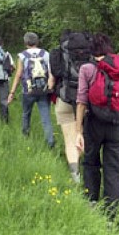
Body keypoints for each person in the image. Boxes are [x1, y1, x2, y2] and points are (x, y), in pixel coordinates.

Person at [74, 33, 119, 219]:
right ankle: (111, 213)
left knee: (91, 162)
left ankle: (92, 202)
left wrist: (78, 130)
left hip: (94, 122)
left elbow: (81, 101)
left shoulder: (87, 68)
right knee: (114, 167)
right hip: (118, 124)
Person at [49, 30, 93, 184]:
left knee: (69, 140)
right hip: (87, 100)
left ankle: (75, 176)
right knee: (84, 136)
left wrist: (51, 90)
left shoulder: (59, 53)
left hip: (65, 99)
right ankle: (88, 169)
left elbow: (52, 79)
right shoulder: (91, 51)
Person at [8, 32, 56, 149]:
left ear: (25, 43)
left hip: (28, 90)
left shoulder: (22, 55)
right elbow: (51, 74)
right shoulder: (45, 54)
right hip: (43, 91)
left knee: (26, 114)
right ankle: (50, 142)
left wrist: (12, 92)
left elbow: (19, 74)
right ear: (37, 41)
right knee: (46, 118)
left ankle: (25, 136)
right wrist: (50, 88)